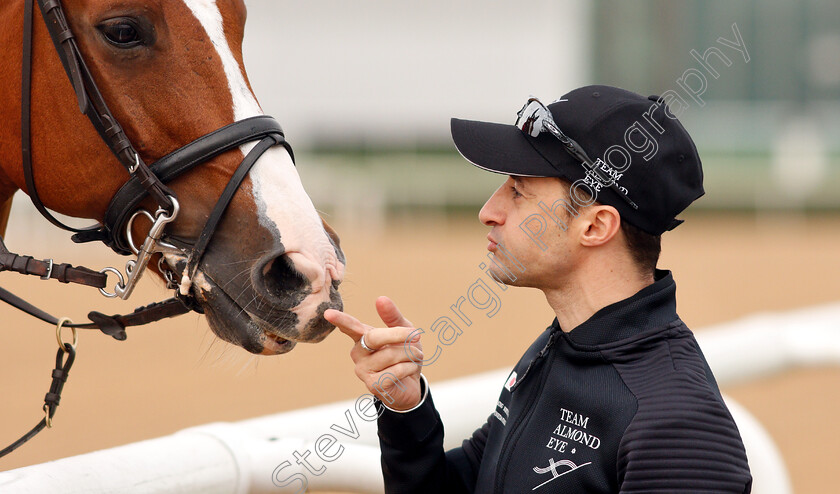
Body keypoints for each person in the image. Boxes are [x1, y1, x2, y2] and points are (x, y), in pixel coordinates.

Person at [324, 85, 752, 493]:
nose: (488, 211)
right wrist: (406, 407)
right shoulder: (561, 345)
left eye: (518, 190)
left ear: (596, 226)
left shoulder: (677, 424)